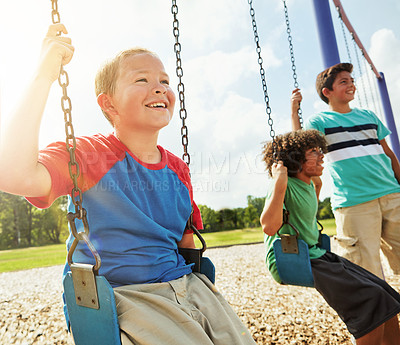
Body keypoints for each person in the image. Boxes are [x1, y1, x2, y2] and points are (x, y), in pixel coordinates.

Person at [0, 24, 256, 345]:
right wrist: (43, 75)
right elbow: (13, 174)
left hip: (187, 284)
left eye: (164, 81)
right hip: (124, 296)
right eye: (142, 80)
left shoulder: (177, 168)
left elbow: (187, 242)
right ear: (108, 105)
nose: (160, 88)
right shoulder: (90, 154)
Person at [260, 129, 400, 345]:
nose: (322, 155)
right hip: (295, 258)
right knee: (370, 300)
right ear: (295, 158)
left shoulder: (311, 183)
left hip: (317, 254)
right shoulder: (283, 184)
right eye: (314, 152)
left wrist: (294, 112)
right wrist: (279, 181)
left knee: (385, 293)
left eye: (320, 150)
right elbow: (269, 227)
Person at [290, 62, 400, 279]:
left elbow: (388, 153)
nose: (351, 85)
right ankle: (383, 314)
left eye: (352, 81)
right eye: (343, 82)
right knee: (366, 271)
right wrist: (295, 113)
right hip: (355, 203)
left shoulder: (369, 116)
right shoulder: (320, 121)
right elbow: (301, 148)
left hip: (391, 195)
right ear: (327, 92)